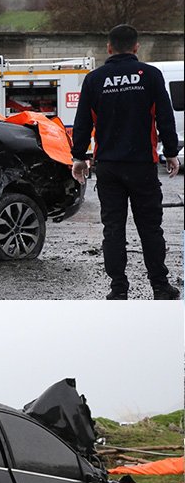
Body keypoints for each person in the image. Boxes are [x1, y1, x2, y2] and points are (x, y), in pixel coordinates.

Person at [71, 24, 181, 300]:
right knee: (150, 227)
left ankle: (118, 289)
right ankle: (160, 286)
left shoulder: (94, 80)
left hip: (108, 166)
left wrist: (78, 157)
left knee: (113, 228)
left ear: (108, 48)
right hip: (141, 164)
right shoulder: (151, 76)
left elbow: (83, 123)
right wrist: (170, 152)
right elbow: (165, 118)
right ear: (136, 47)